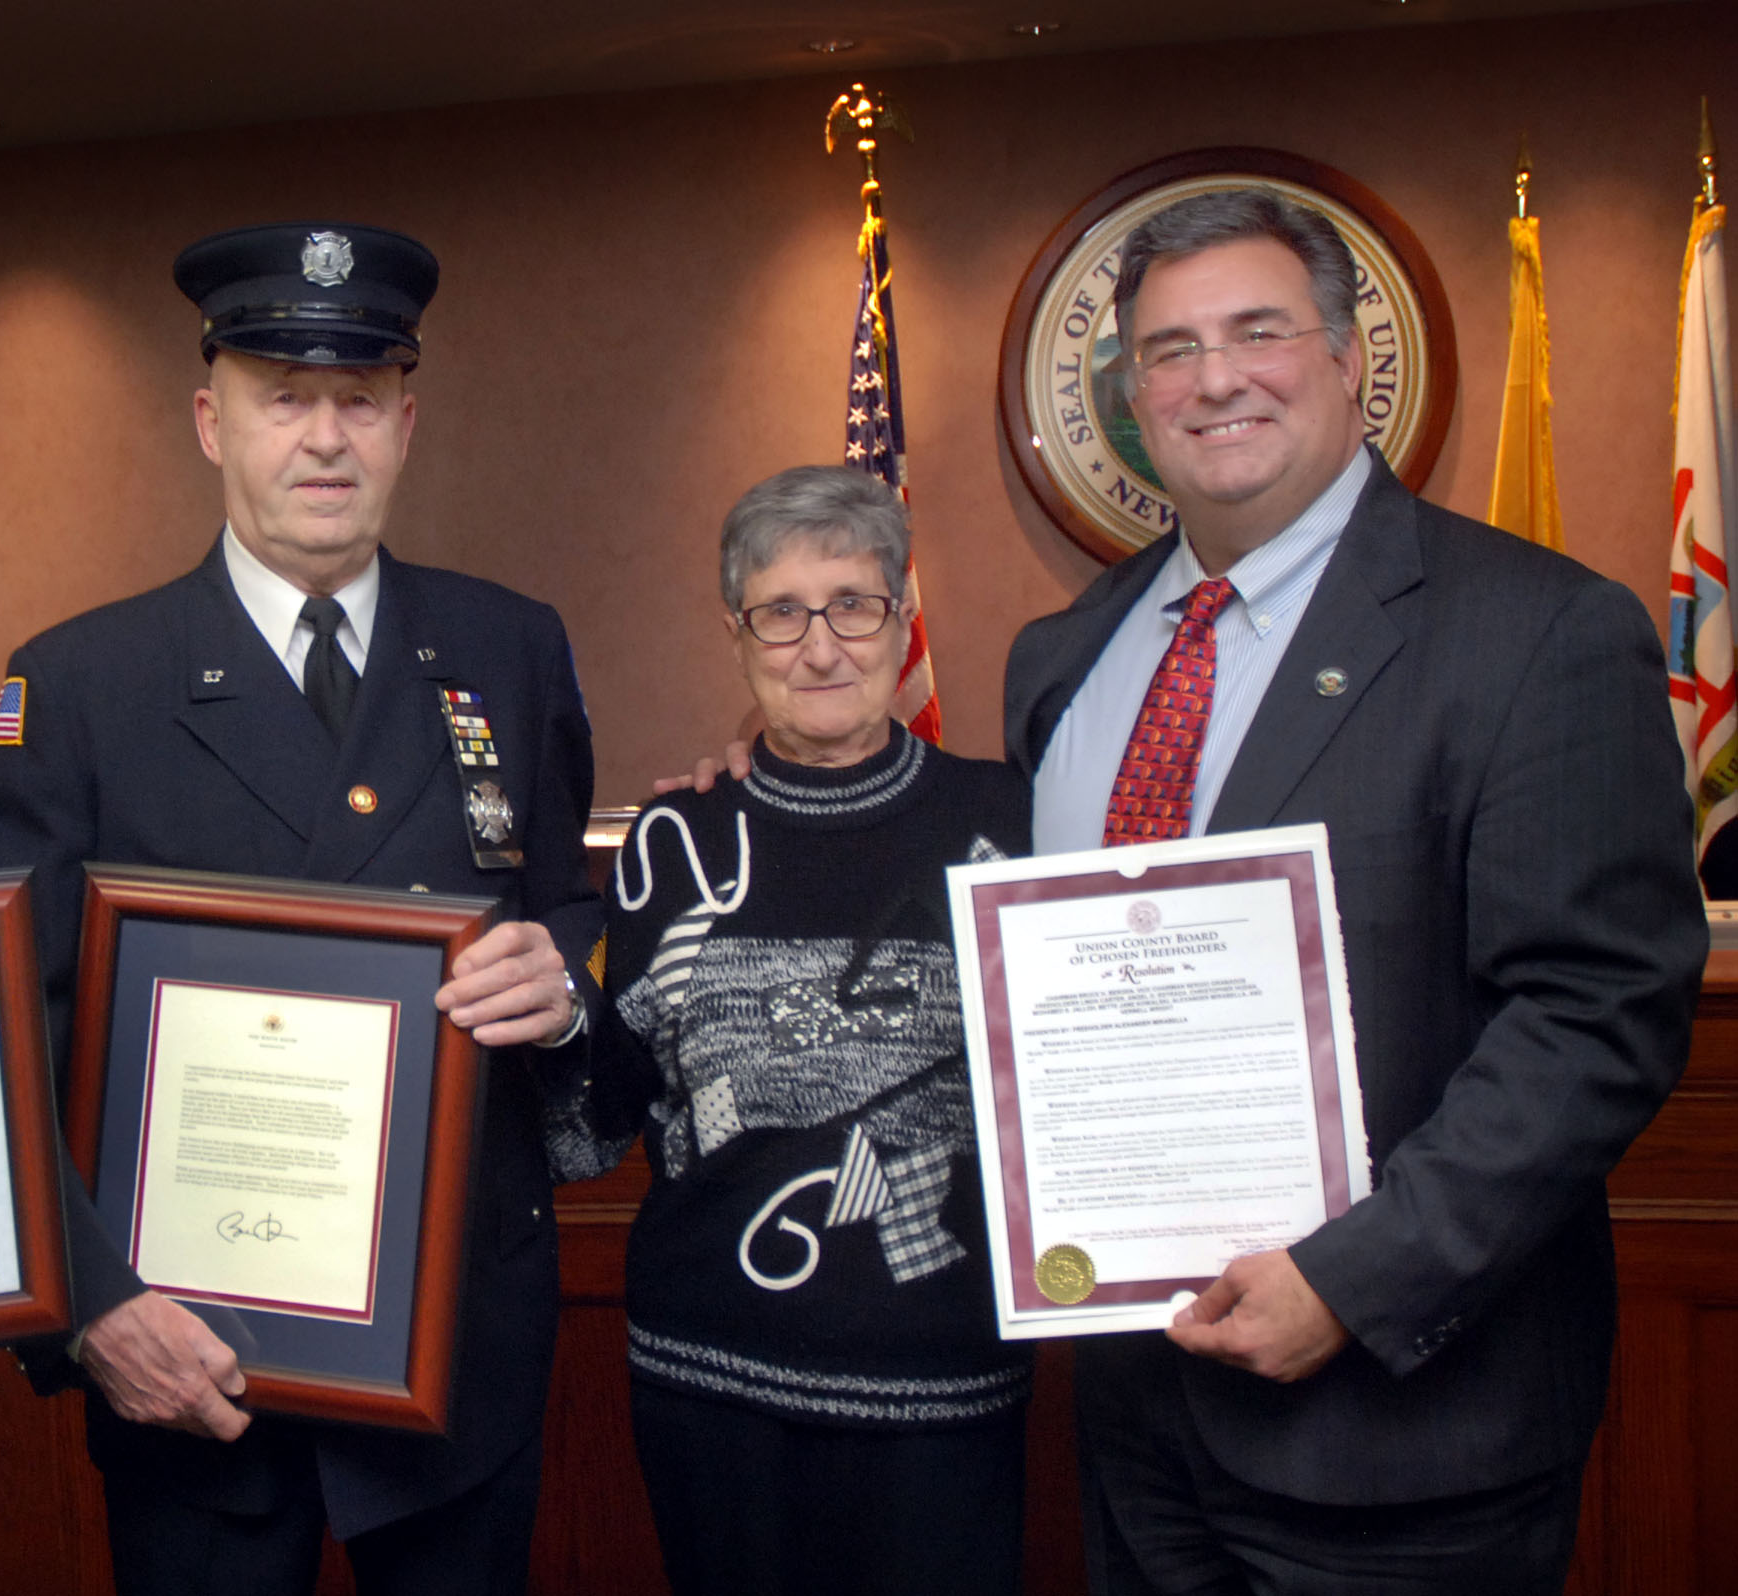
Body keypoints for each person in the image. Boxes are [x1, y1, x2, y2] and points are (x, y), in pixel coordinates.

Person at [1003, 190, 1701, 1591]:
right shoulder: (1063, 655)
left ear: (1340, 358)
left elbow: (1594, 1013)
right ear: (1130, 395)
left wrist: (1353, 1281)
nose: (1212, 378)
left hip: (1408, 1428)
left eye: (1256, 331)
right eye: (1166, 350)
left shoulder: (1537, 630)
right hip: (1133, 1416)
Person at [0, 222, 598, 1595]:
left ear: (406, 423)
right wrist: (94, 1305)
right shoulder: (82, 683)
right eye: (281, 398)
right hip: (195, 1362)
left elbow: (570, 907)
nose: (324, 439)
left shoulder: (507, 645)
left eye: (358, 401)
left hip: (452, 1355)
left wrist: (567, 981)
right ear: (209, 420)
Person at [551, 465, 1030, 1596]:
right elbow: (597, 1121)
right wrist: (544, 1010)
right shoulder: (673, 838)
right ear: (737, 636)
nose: (820, 649)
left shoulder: (1010, 819)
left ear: (902, 620)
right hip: (709, 1386)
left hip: (944, 1389)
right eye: (781, 614)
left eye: (853, 605)